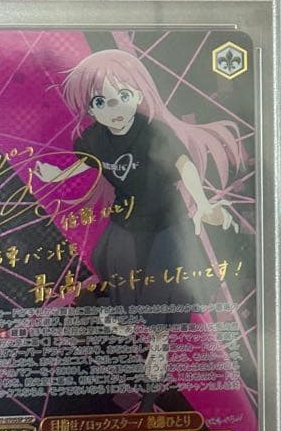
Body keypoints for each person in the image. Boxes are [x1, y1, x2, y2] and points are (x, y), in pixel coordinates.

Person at [34, 48, 243, 384]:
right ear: (91, 109)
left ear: (138, 95)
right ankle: (128, 317)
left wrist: (203, 204)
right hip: (126, 217)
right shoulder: (92, 138)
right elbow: (89, 162)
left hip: (165, 219)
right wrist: (57, 175)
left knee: (161, 285)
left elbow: (184, 164)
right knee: (112, 264)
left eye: (122, 97)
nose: (113, 109)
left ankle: (158, 342)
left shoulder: (154, 133)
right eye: (100, 102)